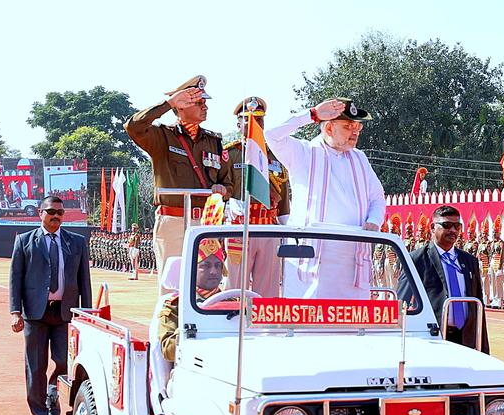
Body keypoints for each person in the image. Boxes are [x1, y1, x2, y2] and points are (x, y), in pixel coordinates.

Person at [264, 98, 385, 299]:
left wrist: (374, 221)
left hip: (353, 257)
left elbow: (377, 198)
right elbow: (272, 135)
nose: (355, 132)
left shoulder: (360, 158)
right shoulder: (304, 152)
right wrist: (311, 114)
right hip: (312, 257)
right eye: (348, 126)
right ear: (328, 128)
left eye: (358, 126)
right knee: (308, 322)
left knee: (352, 324)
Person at [124, 75, 236, 288]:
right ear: (181, 106)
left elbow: (227, 183)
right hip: (173, 222)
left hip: (207, 222)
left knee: (206, 285)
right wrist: (168, 104)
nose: (205, 107)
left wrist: (223, 190)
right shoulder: (162, 137)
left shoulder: (214, 141)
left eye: (205, 103)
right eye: (199, 102)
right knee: (171, 287)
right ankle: (170, 322)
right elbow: (133, 127)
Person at [9, 196, 91, 415]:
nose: (56, 216)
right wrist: (16, 312)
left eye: (60, 212)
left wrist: (85, 313)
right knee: (35, 366)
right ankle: (40, 414)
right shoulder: (25, 242)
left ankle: (53, 391)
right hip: (35, 314)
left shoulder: (76, 242)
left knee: (66, 360)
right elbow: (15, 278)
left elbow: (84, 280)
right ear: (40, 213)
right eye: (51, 211)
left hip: (65, 314)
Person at [228, 96, 292, 296]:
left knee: (268, 288)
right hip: (239, 227)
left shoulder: (275, 155)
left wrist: (286, 232)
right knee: (235, 287)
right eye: (249, 119)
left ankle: (265, 327)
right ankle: (232, 325)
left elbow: (283, 198)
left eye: (260, 120)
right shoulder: (230, 155)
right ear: (239, 123)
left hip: (268, 228)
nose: (255, 124)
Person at [409, 206, 490, 353]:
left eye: (457, 226)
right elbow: (403, 301)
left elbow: (478, 305)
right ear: (432, 227)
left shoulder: (469, 261)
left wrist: (483, 347)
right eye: (446, 225)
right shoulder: (417, 259)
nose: (452, 230)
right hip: (432, 338)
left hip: (466, 338)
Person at [158, 238, 227, 363]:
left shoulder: (232, 302)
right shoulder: (177, 305)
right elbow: (168, 351)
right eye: (205, 266)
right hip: (192, 367)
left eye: (218, 266)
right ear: (192, 269)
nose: (214, 271)